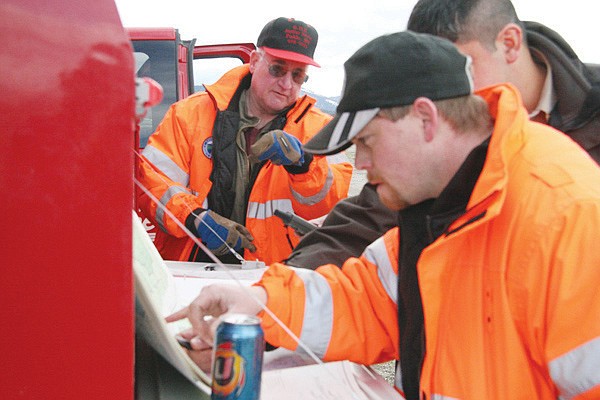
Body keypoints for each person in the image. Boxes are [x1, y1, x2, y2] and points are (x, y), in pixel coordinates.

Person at [167, 32, 600, 399]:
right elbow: (366, 300)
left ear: (425, 120)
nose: (360, 164)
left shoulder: (567, 218)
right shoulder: (438, 206)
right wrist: (261, 304)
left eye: (368, 142)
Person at [284, 0, 600, 270]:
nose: (438, 93)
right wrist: (288, 282)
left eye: (458, 67)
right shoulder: (451, 128)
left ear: (509, 44)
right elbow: (369, 217)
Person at [137, 17, 352, 265]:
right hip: (192, 267)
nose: (286, 84)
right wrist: (194, 217)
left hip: (276, 275)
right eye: (277, 69)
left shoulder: (321, 130)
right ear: (254, 62)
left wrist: (303, 165)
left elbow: (331, 209)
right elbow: (151, 185)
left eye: (297, 75)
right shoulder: (187, 114)